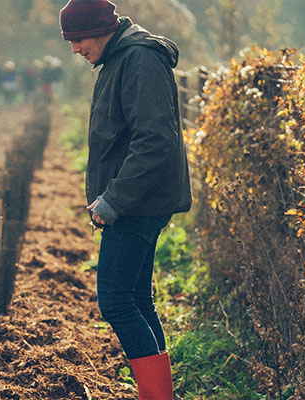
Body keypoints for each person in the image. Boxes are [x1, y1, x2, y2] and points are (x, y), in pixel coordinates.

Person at [59, 1, 191, 398]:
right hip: (138, 201)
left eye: (78, 39)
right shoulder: (120, 58)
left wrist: (112, 200)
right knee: (135, 298)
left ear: (100, 28)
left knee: (115, 300)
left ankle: (156, 396)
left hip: (138, 203)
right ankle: (159, 394)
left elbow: (154, 142)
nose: (75, 49)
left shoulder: (139, 60)